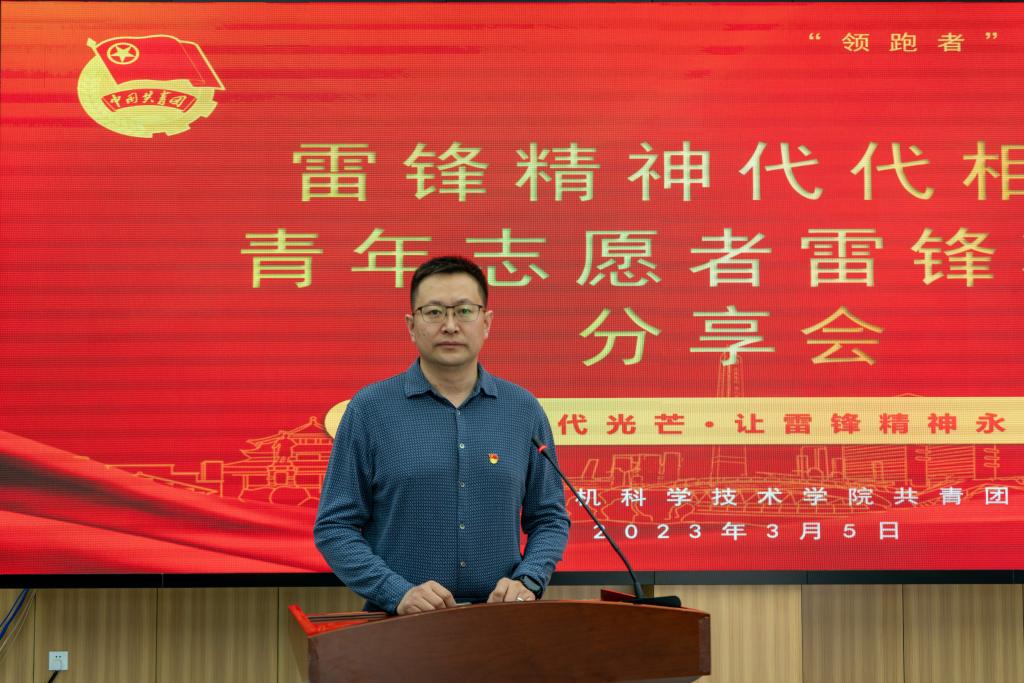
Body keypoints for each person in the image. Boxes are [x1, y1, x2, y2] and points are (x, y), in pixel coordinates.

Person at [314, 255, 570, 615]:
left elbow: (550, 518)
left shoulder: (522, 410)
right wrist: (397, 592)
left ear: (486, 322)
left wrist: (528, 581)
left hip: (501, 622)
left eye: (464, 311)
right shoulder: (370, 409)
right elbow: (335, 527)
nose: (450, 326)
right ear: (411, 325)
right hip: (398, 626)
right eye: (434, 312)